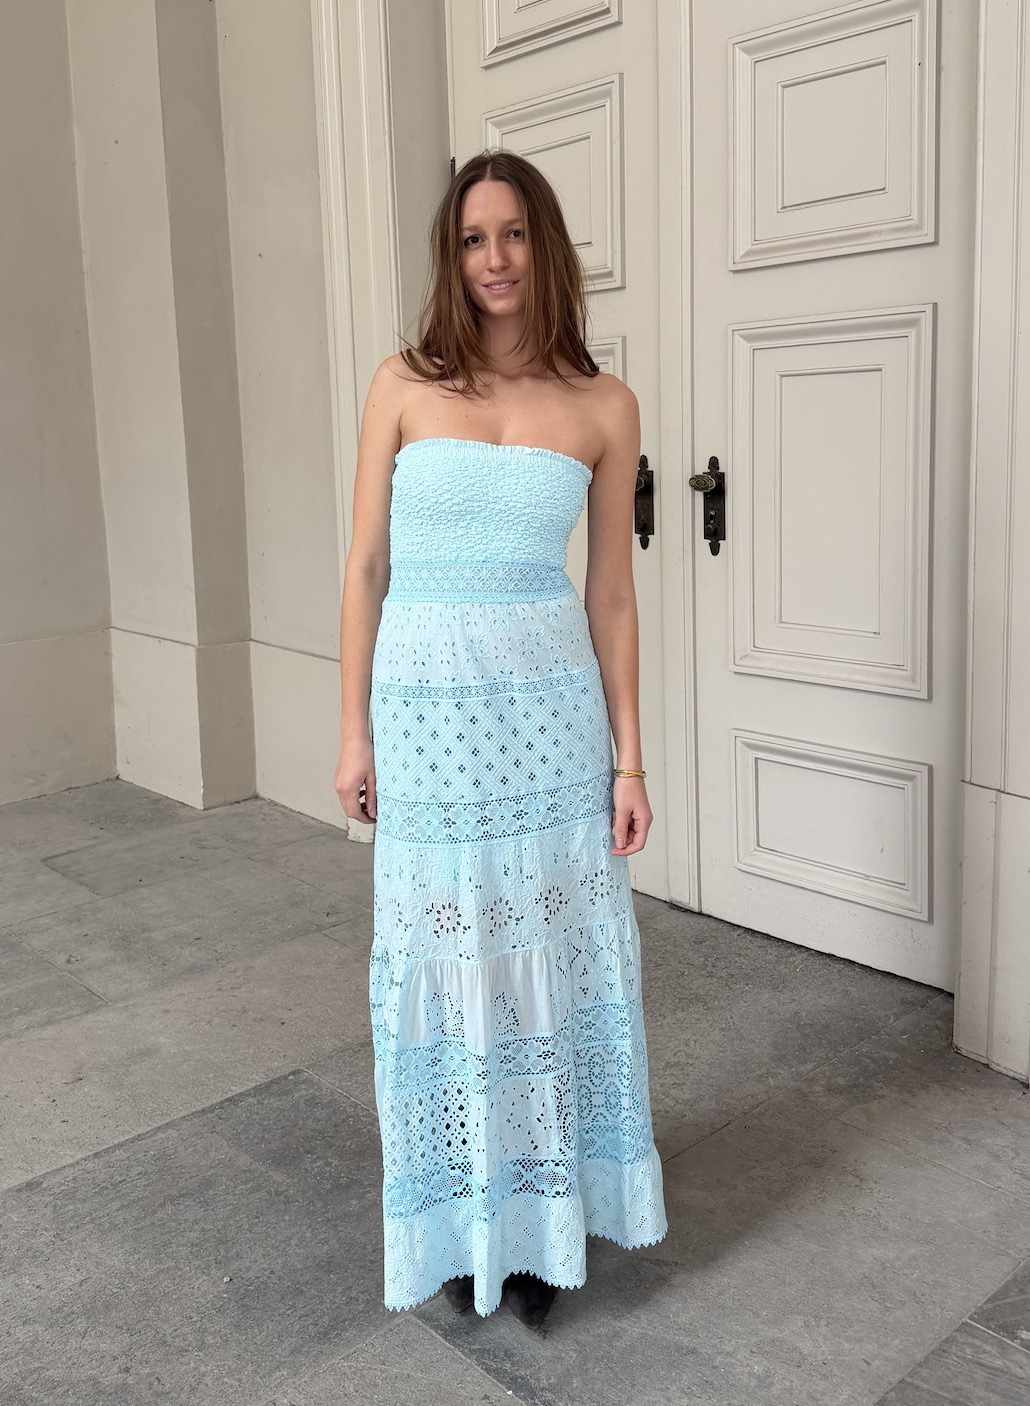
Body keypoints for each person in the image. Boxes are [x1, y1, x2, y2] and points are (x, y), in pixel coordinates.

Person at [334, 149, 667, 1327]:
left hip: (548, 730)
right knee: (449, 966)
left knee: (544, 979)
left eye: (514, 235)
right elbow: (367, 566)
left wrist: (628, 759)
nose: (494, 260)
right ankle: (459, 1219)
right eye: (474, 238)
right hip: (426, 728)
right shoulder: (401, 386)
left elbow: (612, 598)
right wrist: (353, 729)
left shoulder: (604, 405)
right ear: (452, 254)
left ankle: (536, 1231)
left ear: (546, 245)